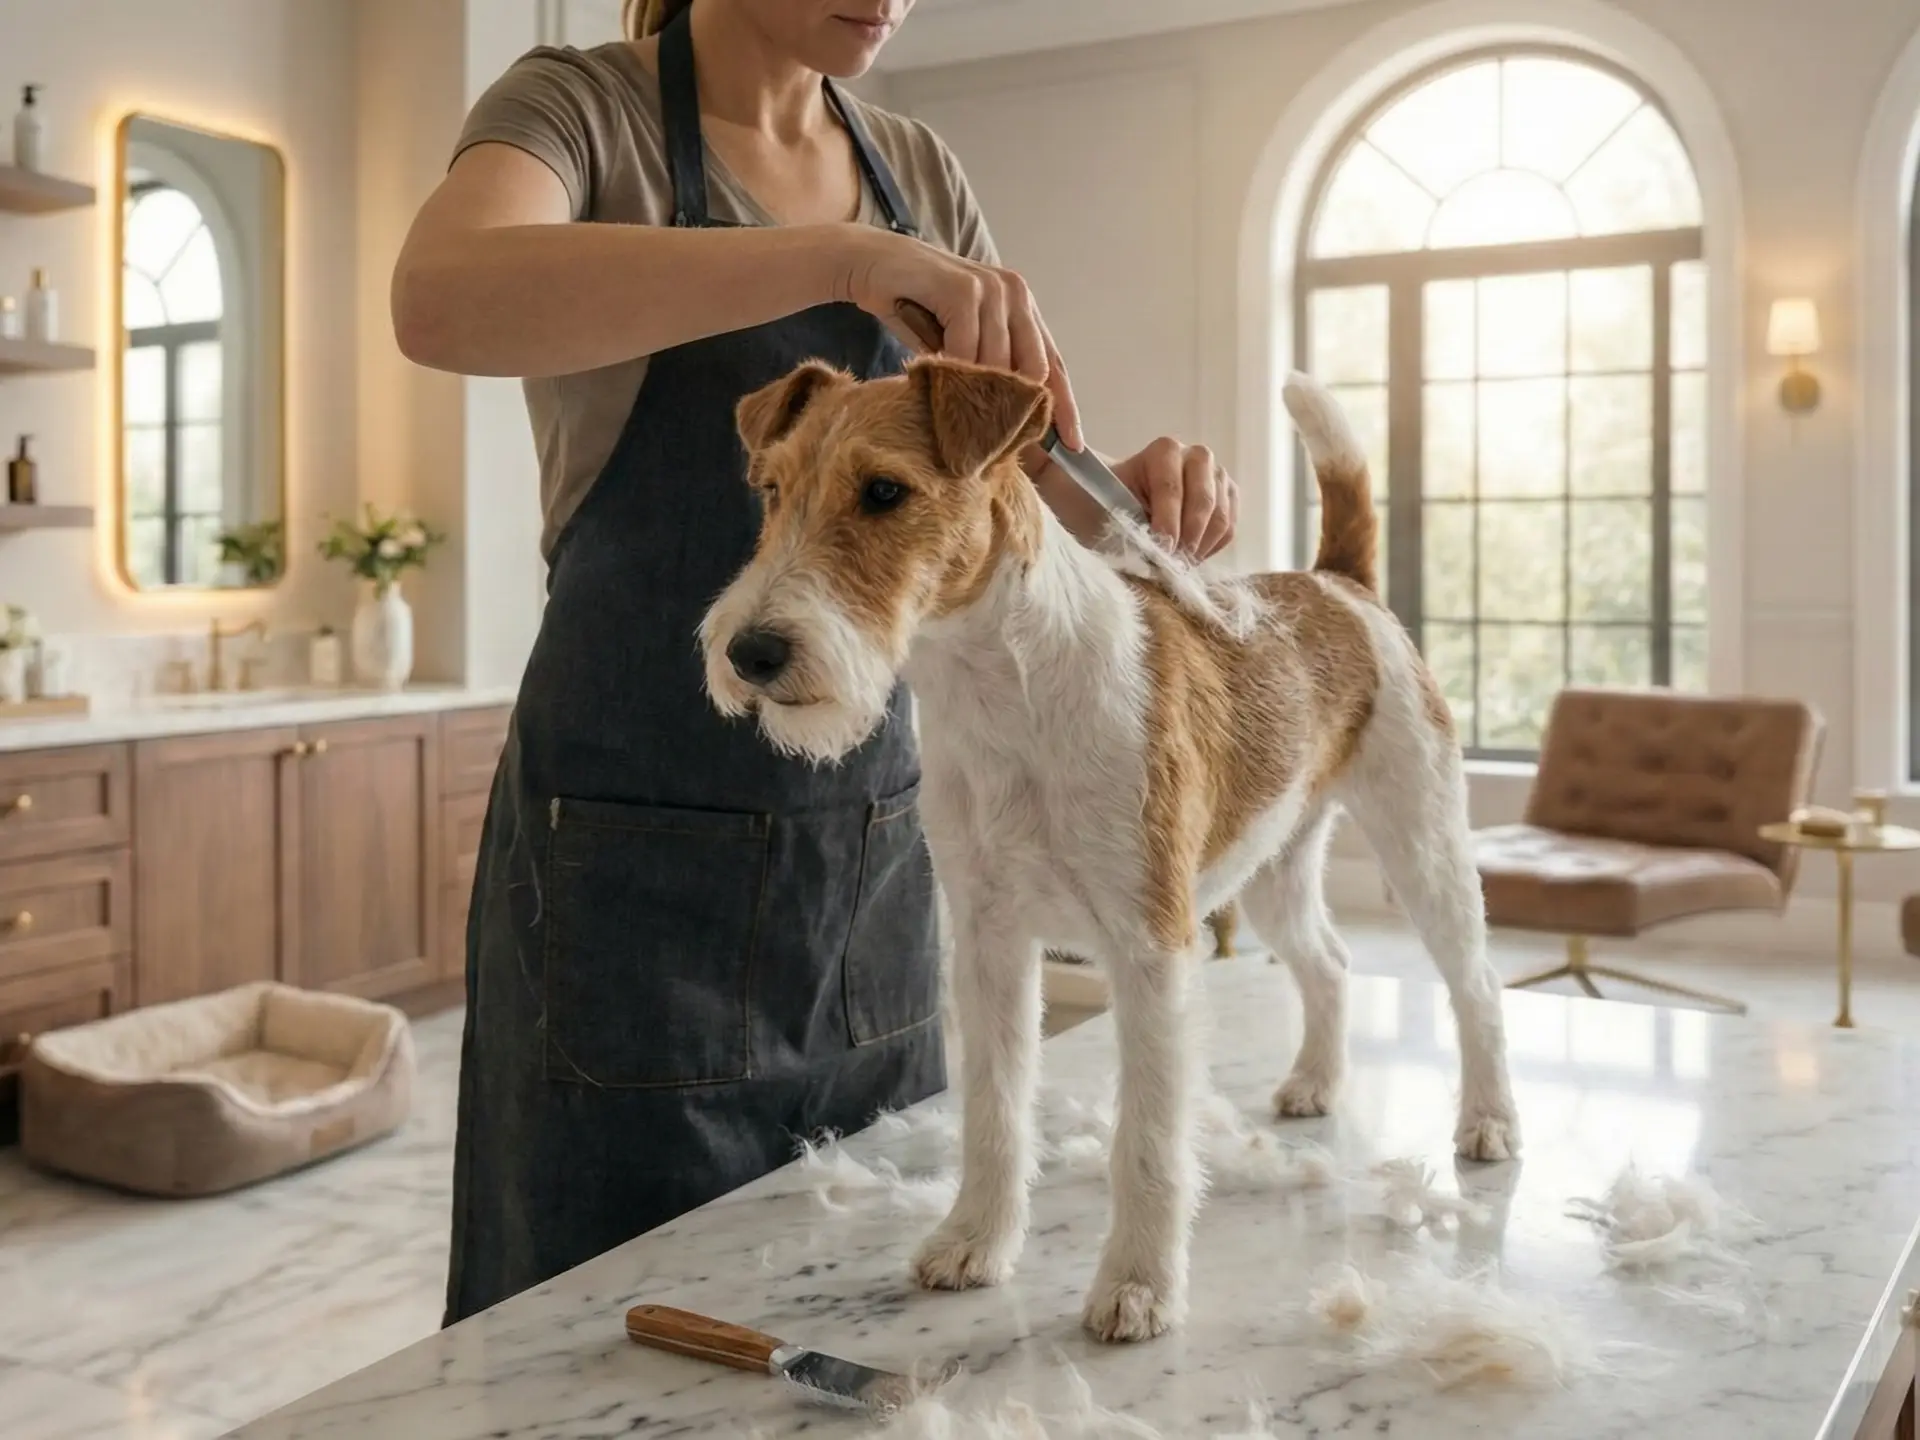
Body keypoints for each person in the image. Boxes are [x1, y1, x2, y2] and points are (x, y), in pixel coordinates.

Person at [393, 0, 1240, 1324]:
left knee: (860, 1307)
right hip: (629, 870)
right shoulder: (578, 110)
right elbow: (440, 300)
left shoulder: (920, 169)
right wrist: (834, 262)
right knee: (601, 1327)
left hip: (876, 853)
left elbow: (1001, 487)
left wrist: (1120, 490)